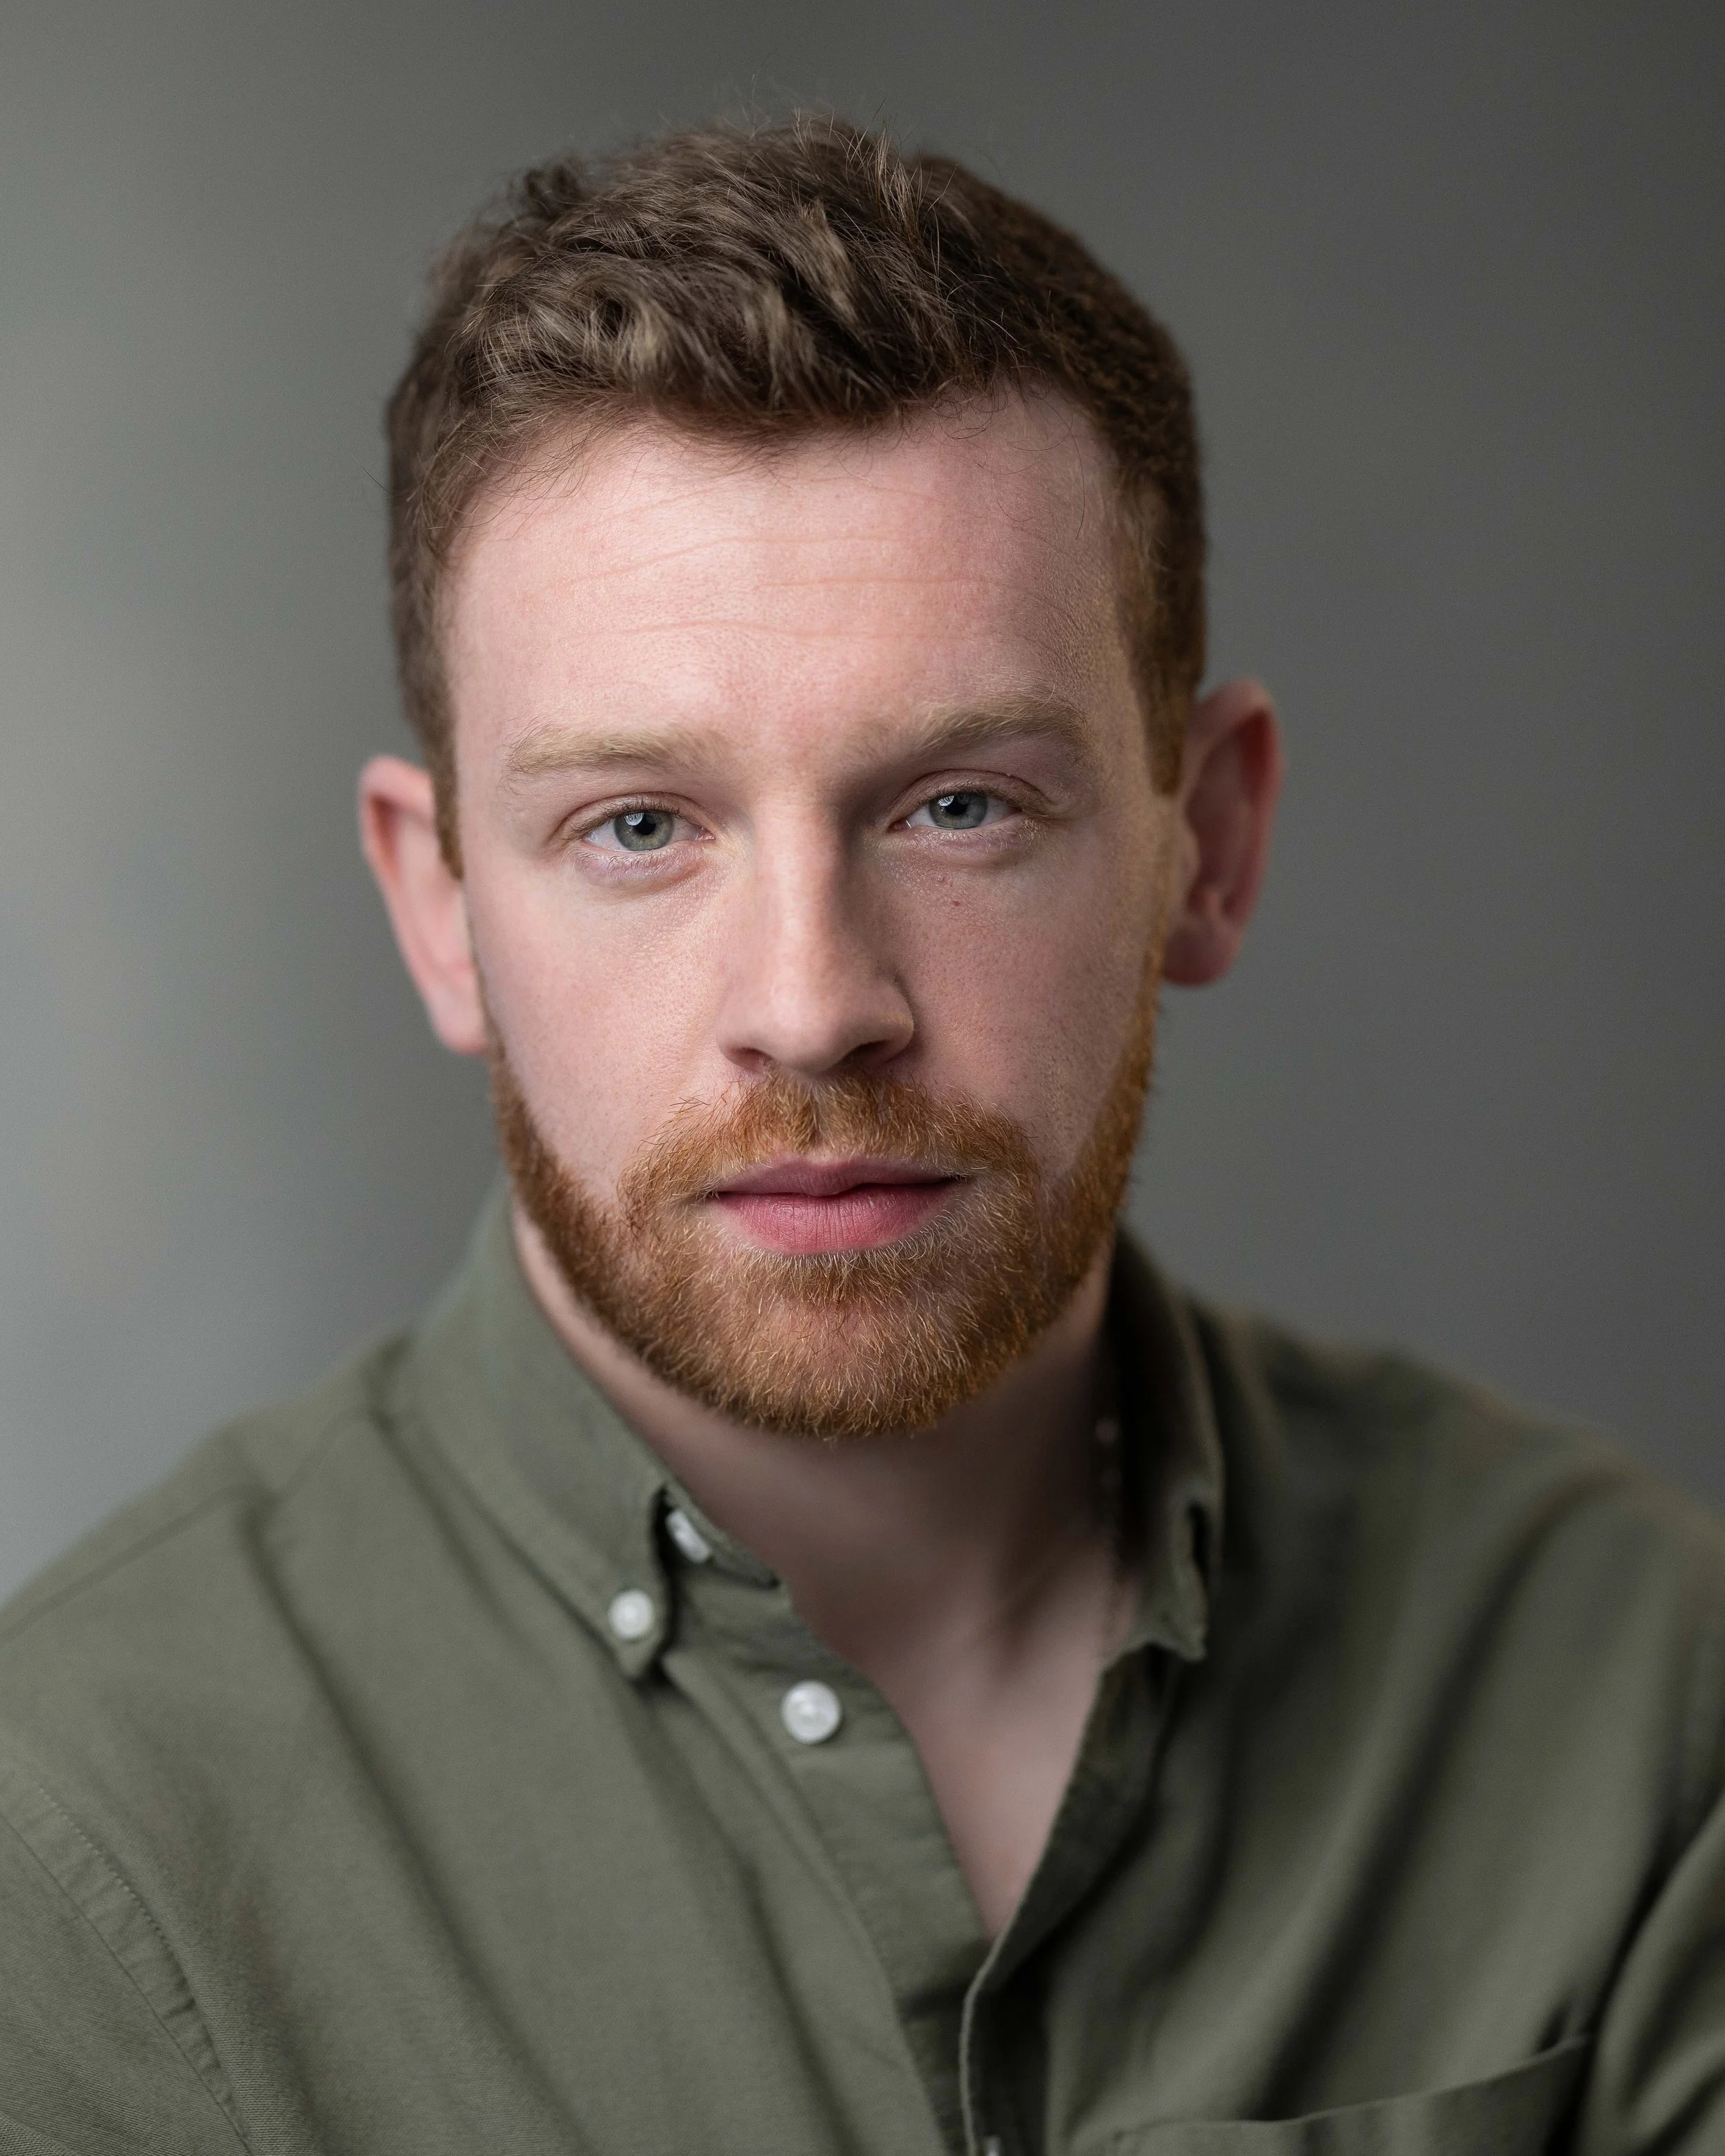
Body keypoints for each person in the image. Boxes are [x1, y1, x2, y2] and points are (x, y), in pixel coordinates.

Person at [1, 118, 1719, 2156]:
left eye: (958, 805)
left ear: (1211, 840)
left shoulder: (1631, 1687)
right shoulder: (76, 1846)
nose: (814, 1001)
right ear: (439, 904)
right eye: (637, 826)